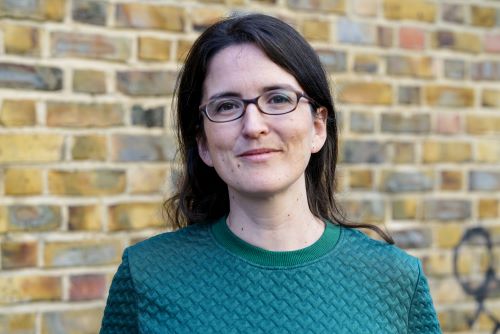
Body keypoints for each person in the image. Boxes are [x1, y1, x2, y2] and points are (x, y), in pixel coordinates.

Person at [100, 14, 441, 333]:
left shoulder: (394, 279)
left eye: (277, 99)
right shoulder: (146, 275)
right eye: (226, 106)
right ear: (203, 142)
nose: (253, 126)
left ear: (318, 127)